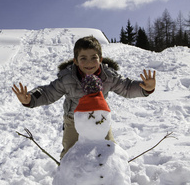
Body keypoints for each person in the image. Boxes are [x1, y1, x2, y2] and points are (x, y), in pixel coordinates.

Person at [12, 36, 156, 159]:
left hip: (99, 118)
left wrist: (146, 88)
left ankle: (108, 181)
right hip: (73, 120)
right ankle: (67, 181)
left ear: (100, 59)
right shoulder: (67, 78)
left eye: (94, 58)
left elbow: (126, 87)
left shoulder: (108, 76)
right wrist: (30, 98)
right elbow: (49, 92)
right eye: (83, 58)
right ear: (75, 60)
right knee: (70, 153)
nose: (89, 63)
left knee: (109, 149)